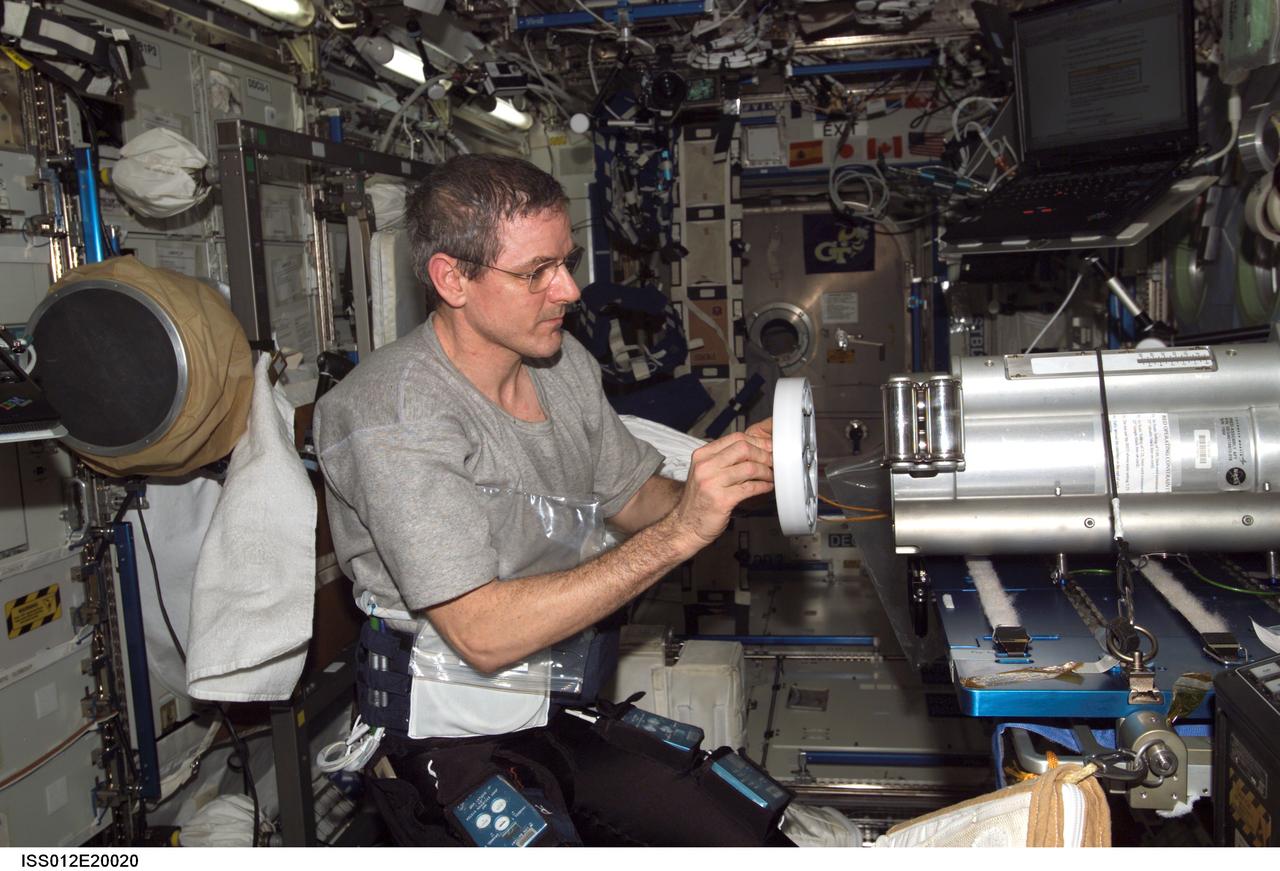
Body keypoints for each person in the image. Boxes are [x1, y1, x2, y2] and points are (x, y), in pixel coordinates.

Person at [314, 153, 789, 846]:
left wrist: (723, 483)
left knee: (745, 835)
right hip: (447, 735)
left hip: (558, 701)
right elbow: (482, 634)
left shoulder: (562, 365)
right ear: (452, 278)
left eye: (566, 262)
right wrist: (681, 534)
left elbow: (633, 497)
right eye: (536, 272)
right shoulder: (394, 414)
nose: (567, 290)